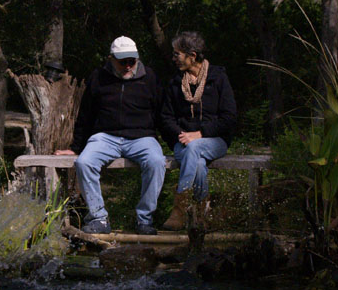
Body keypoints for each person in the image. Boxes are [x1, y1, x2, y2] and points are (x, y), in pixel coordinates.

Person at [55, 36, 165, 235]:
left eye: (132, 60)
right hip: (105, 137)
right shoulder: (98, 77)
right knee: (84, 162)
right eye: (123, 61)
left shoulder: (150, 77)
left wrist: (176, 142)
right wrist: (75, 148)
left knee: (157, 162)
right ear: (111, 58)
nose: (128, 66)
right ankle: (99, 218)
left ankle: (144, 220)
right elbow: (86, 115)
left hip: (142, 137)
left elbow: (162, 114)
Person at [161, 31, 237, 230]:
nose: (174, 58)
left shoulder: (218, 78)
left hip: (215, 140)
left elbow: (229, 118)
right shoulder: (175, 83)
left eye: (177, 54)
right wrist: (182, 135)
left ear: (192, 56)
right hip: (183, 142)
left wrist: (200, 134)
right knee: (199, 164)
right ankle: (202, 214)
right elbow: (166, 118)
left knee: (195, 149)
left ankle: (179, 209)